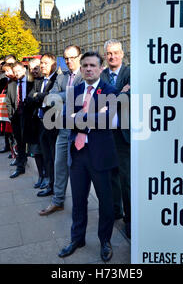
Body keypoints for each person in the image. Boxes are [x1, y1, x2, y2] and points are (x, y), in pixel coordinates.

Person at [58, 51, 118, 262]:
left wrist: (79, 117)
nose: (88, 68)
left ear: (101, 68)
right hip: (78, 153)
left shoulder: (110, 90)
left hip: (100, 154)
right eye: (85, 65)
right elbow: (65, 119)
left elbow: (108, 120)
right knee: (78, 199)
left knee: (106, 201)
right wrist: (89, 118)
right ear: (81, 68)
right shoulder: (74, 90)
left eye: (93, 65)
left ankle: (105, 241)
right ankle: (77, 238)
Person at [39, 45, 83, 215]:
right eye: (66, 58)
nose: (69, 61)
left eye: (72, 57)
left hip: (81, 131)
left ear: (80, 56)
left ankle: (81, 207)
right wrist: (65, 95)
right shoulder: (62, 76)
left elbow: (79, 97)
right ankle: (58, 201)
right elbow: (52, 96)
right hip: (64, 128)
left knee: (80, 170)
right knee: (59, 166)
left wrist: (63, 96)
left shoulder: (85, 75)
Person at [100, 39, 132, 239]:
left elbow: (132, 98)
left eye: (116, 53)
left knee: (126, 179)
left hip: (124, 134)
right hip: (105, 133)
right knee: (110, 176)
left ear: (122, 53)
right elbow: (96, 100)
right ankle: (116, 211)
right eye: (109, 53)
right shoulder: (100, 75)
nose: (112, 56)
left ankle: (130, 220)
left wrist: (113, 99)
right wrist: (121, 93)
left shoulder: (130, 73)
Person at [28, 53, 59, 197]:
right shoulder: (39, 81)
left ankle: (54, 186)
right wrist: (40, 98)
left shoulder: (57, 80)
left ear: (54, 64)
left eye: (45, 63)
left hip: (52, 124)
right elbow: (29, 98)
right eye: (41, 63)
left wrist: (38, 97)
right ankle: (49, 183)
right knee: (45, 156)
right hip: (40, 124)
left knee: (53, 157)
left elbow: (52, 99)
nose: (42, 66)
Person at [24, 58, 46, 188]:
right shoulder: (31, 82)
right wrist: (35, 97)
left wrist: (35, 97)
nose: (33, 71)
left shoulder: (45, 81)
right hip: (33, 123)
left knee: (46, 153)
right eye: (31, 69)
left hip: (44, 123)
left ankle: (47, 177)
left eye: (36, 68)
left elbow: (37, 99)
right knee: (36, 152)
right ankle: (41, 176)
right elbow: (28, 100)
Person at [6, 62, 29, 178]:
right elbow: (8, 101)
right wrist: (11, 116)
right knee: (19, 144)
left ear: (24, 69)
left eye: (19, 71)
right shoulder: (12, 85)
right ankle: (20, 167)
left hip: (29, 119)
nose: (17, 73)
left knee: (35, 146)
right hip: (16, 118)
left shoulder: (31, 83)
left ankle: (43, 174)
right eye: (15, 72)